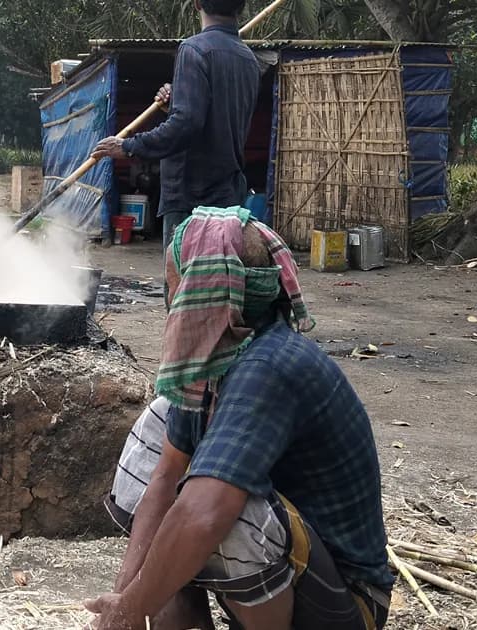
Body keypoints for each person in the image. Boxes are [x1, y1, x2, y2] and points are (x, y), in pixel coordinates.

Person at [87, 206, 394, 630]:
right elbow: (162, 477)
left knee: (219, 508)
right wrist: (125, 602)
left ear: (200, 290)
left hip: (344, 605)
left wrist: (129, 612)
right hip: (292, 569)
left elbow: (203, 515)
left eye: (175, 278)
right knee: (158, 428)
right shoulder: (213, 371)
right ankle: (185, 616)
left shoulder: (269, 368)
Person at [90, 0, 261, 255]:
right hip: (228, 195)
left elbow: (186, 125)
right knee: (218, 282)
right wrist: (175, 105)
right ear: (241, 7)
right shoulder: (248, 59)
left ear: (196, 4)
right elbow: (213, 120)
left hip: (192, 197)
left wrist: (128, 146)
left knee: (184, 285)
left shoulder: (193, 50)